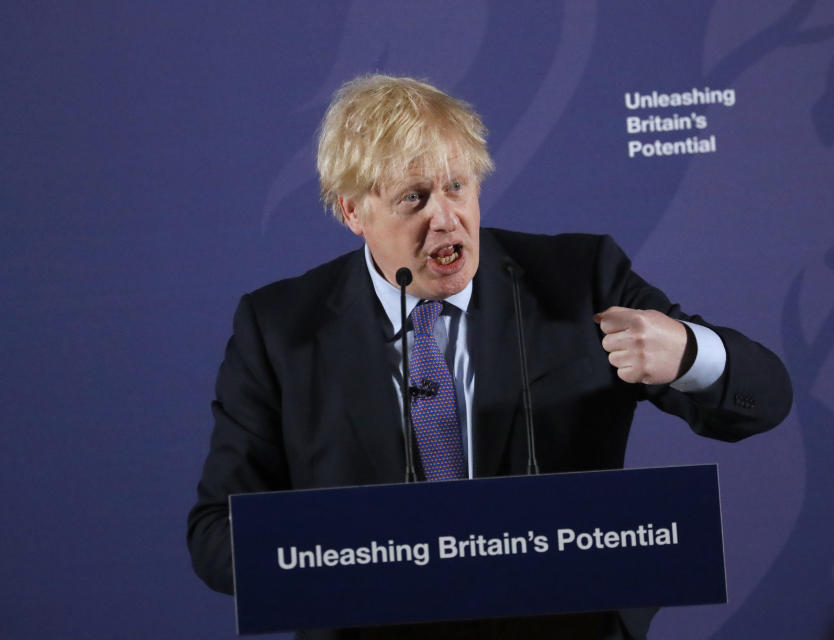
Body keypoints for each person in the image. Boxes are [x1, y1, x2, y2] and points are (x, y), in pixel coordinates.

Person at [187, 74, 792, 639]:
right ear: (353, 212)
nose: (446, 219)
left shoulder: (579, 281)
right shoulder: (278, 328)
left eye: (458, 186)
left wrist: (687, 352)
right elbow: (217, 535)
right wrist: (349, 553)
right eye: (414, 198)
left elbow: (765, 400)